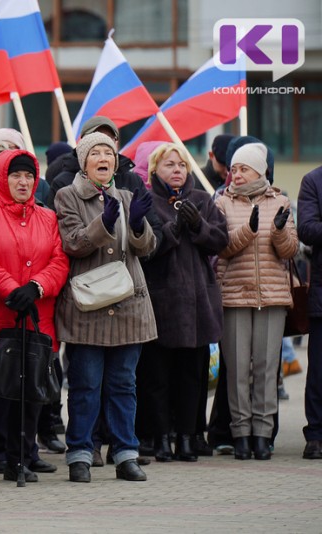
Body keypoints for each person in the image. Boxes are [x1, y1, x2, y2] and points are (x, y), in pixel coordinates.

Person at [0, 150, 69, 485]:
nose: (23, 182)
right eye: (16, 175)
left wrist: (35, 287)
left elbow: (60, 262)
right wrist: (11, 289)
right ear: (1, 178)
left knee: (27, 392)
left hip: (33, 319)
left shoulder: (48, 218)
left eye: (28, 176)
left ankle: (18, 459)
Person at [54, 132, 157, 483]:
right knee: (85, 385)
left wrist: (140, 224)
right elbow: (73, 244)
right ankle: (80, 454)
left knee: (124, 385)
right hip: (88, 307)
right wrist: (104, 224)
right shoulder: (67, 195)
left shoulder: (127, 196)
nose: (104, 158)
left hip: (129, 305)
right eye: (95, 152)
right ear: (84, 162)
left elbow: (146, 249)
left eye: (108, 153)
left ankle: (126, 454)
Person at [137, 143, 228, 462]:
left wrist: (198, 226)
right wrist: (175, 228)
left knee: (192, 376)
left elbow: (220, 241)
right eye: (169, 165)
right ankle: (161, 437)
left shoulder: (202, 200)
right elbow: (147, 248)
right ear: (154, 171)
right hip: (161, 301)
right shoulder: (147, 202)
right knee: (157, 377)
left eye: (181, 165)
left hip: (196, 303)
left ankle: (188, 437)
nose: (176, 170)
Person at [215, 143, 298, 461]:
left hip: (273, 297)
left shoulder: (280, 200)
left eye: (243, 168)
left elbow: (290, 250)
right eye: (233, 169)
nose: (236, 174)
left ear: (260, 170)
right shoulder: (223, 203)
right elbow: (222, 248)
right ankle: (241, 435)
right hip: (235, 296)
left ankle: (263, 434)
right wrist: (249, 231)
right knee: (236, 370)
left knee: (266, 369)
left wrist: (278, 232)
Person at [297, 164, 322, 460]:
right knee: (318, 369)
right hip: (321, 293)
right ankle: (315, 433)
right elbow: (306, 229)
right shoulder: (313, 180)